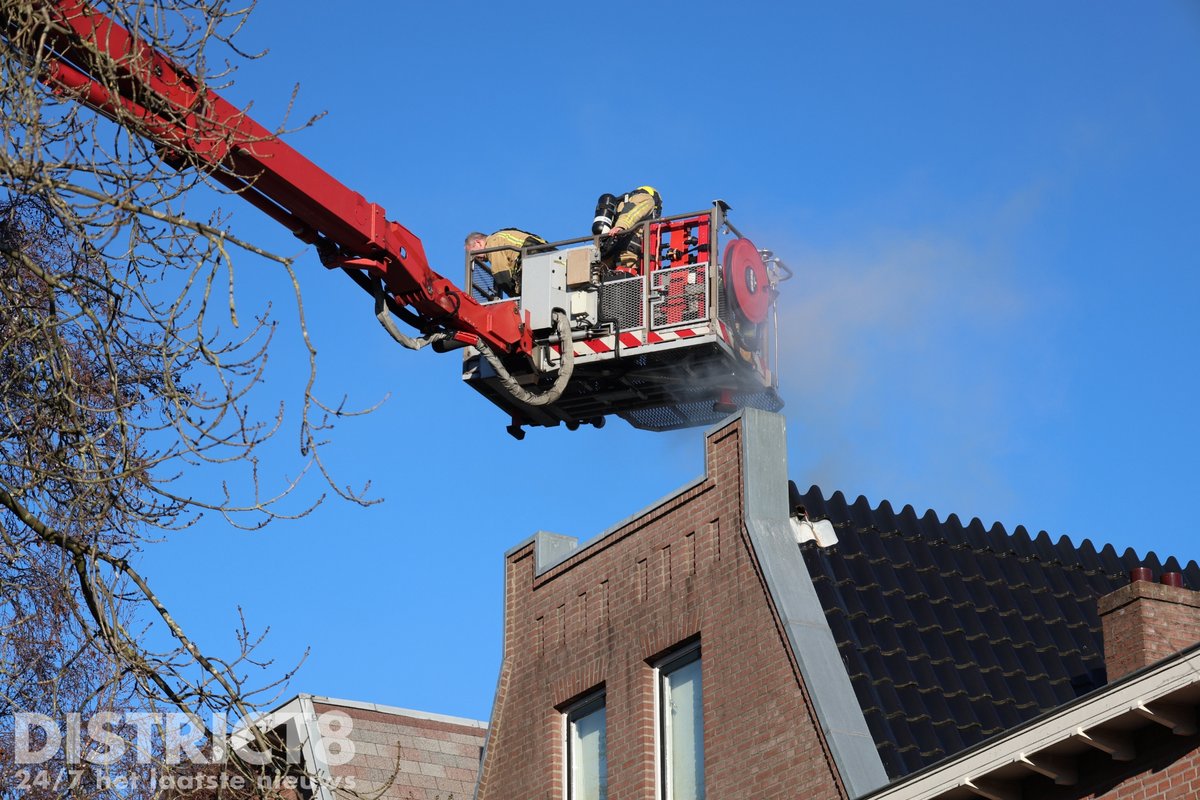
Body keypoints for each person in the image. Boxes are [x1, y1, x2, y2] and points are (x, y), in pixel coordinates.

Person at [595, 186, 662, 276]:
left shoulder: (621, 203)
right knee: (628, 279)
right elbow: (633, 213)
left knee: (602, 278)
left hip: (608, 251)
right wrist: (621, 227)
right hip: (627, 250)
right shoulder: (647, 198)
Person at [464, 228, 546, 297]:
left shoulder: (492, 243)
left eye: (473, 253)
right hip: (545, 255)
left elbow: (501, 274)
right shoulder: (500, 237)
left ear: (478, 243)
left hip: (534, 259)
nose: (475, 258)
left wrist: (516, 298)